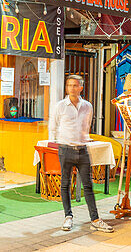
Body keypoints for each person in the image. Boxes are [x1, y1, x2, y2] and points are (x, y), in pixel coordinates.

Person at [49, 75, 113, 233]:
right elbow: (53, 125)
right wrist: (59, 142)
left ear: (80, 88)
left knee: (88, 185)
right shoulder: (60, 106)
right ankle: (68, 217)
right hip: (65, 149)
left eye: (74, 85)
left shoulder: (87, 106)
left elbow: (87, 125)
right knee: (65, 184)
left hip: (83, 149)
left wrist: (83, 139)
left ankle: (95, 219)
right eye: (69, 85)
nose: (71, 88)